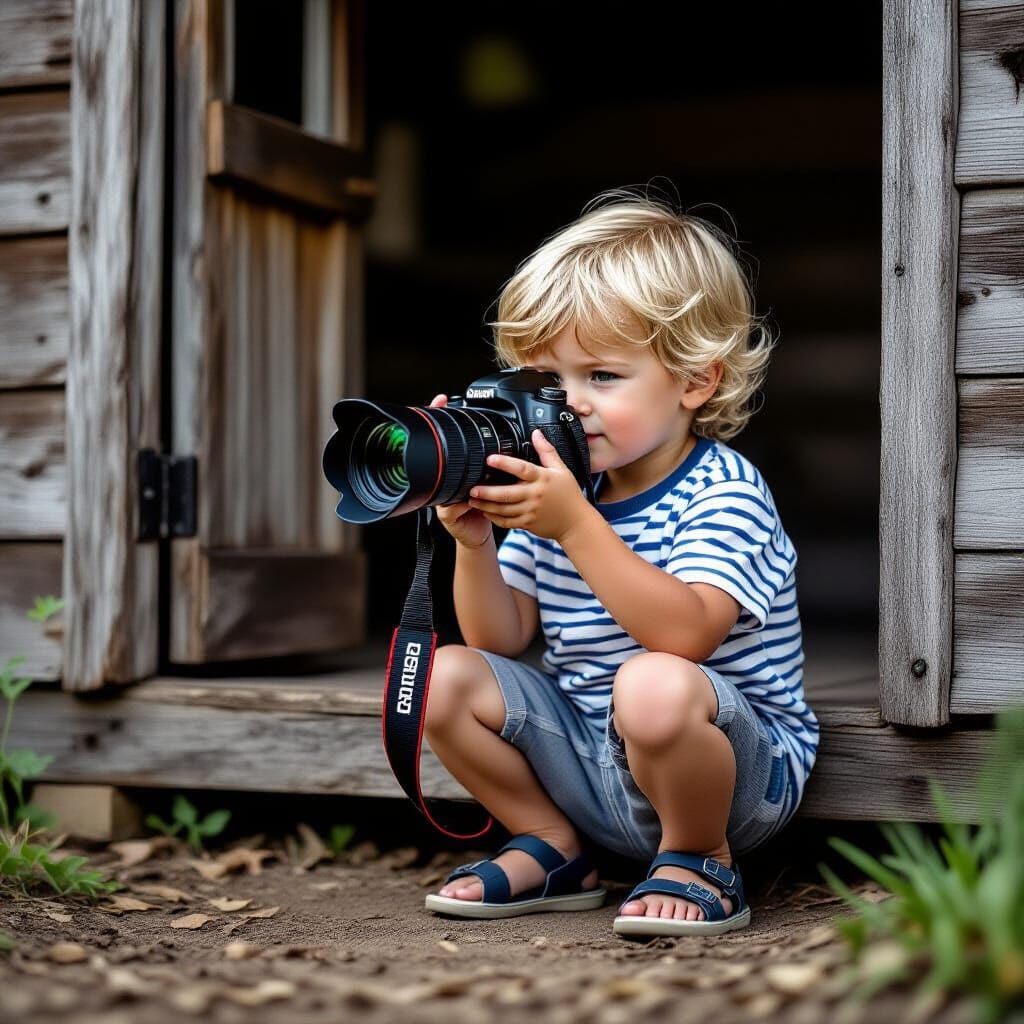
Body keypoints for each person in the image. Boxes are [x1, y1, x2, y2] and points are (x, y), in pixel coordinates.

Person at [420, 189, 819, 937]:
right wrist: (474, 544)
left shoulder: (723, 490)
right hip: (591, 763)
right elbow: (499, 641)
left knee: (653, 682)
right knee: (444, 677)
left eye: (601, 376)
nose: (571, 404)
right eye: (548, 381)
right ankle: (551, 845)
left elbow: (686, 635)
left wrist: (576, 526)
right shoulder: (562, 490)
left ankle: (699, 857)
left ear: (695, 381)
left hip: (732, 780)